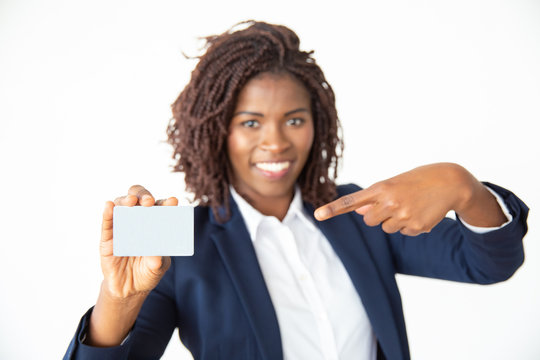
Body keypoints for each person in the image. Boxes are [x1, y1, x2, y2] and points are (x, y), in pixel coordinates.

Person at [63, 21, 529, 360]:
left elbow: (488, 263)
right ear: (215, 131)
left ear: (317, 125)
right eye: (250, 122)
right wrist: (118, 301)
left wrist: (464, 188)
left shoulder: (361, 214)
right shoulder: (180, 244)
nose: (276, 142)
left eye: (294, 120)